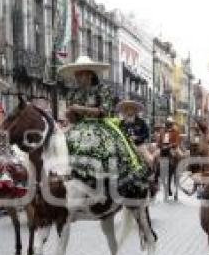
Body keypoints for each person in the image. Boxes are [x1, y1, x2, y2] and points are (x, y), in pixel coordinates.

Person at [59, 55, 149, 198]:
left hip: (99, 125)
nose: (77, 77)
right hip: (78, 126)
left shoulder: (103, 89)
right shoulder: (73, 92)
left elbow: (104, 111)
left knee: (108, 148)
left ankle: (116, 180)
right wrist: (69, 113)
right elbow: (73, 117)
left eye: (80, 74)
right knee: (59, 144)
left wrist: (80, 109)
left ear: (89, 74)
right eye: (76, 74)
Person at [116, 100, 151, 165]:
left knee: (149, 159)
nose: (129, 111)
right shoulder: (122, 123)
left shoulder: (141, 122)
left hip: (139, 146)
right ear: (125, 111)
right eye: (127, 109)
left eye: (131, 109)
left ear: (134, 110)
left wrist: (138, 138)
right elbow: (118, 134)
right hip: (125, 146)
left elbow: (147, 134)